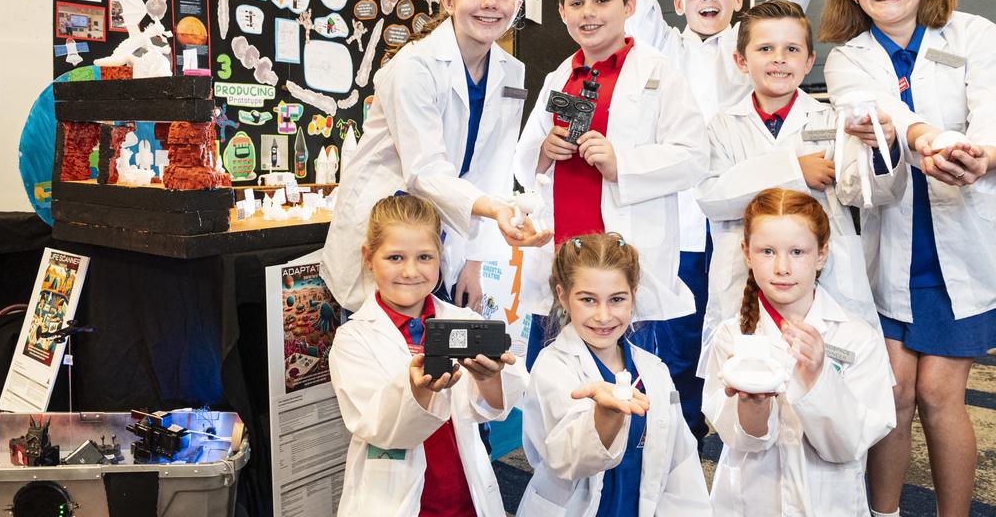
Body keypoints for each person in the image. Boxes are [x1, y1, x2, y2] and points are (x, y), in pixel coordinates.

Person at [620, 0, 820, 444]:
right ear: (678, 1)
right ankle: (682, 438)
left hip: (746, 215)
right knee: (680, 335)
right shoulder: (659, 46)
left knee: (754, 331)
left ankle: (756, 433)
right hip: (682, 221)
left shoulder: (749, 45)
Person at [820, 0, 996, 517]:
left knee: (942, 393)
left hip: (963, 242)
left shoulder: (974, 35)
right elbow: (872, 107)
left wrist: (982, 156)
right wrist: (925, 136)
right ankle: (884, 513)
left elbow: (993, 109)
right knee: (892, 392)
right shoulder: (848, 58)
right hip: (891, 243)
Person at [321, 0, 549, 313]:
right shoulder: (414, 67)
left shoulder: (510, 71)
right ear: (447, 1)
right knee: (384, 356)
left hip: (444, 241)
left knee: (440, 360)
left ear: (517, 5)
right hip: (389, 232)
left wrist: (475, 262)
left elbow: (492, 168)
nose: (490, 2)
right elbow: (424, 170)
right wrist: (494, 210)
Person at [513, 0, 708, 367]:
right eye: (577, 3)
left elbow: (694, 157)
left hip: (622, 263)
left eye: (602, 0)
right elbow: (523, 162)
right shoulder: (559, 75)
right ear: (562, 11)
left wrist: (623, 163)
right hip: (562, 262)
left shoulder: (660, 73)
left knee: (631, 384)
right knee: (550, 384)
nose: (589, 13)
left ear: (629, 6)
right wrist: (544, 151)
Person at [696, 0, 896, 371]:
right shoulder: (722, 127)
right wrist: (795, 170)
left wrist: (879, 144)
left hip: (826, 275)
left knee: (827, 380)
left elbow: (861, 190)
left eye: (792, 49)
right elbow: (711, 197)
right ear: (741, 61)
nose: (779, 59)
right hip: (745, 279)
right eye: (765, 48)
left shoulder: (834, 120)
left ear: (808, 62)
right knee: (751, 389)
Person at [329, 194, 527, 516]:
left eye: (424, 256)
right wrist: (416, 390)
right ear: (369, 258)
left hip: (463, 497)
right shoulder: (354, 339)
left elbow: (496, 406)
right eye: (395, 257)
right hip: (397, 503)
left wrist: (488, 377)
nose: (410, 271)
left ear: (440, 257)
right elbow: (376, 425)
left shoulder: (464, 322)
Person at [702, 188, 895, 516]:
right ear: (747, 253)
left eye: (797, 252)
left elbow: (847, 446)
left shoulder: (856, 338)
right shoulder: (730, 336)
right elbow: (743, 441)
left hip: (830, 503)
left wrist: (819, 378)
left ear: (821, 254)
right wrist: (754, 403)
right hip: (750, 501)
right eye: (767, 251)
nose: (781, 267)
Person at [518, 233, 711, 516]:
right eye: (588, 300)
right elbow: (568, 460)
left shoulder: (653, 370)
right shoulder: (552, 367)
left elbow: (679, 462)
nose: (604, 315)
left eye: (617, 299)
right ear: (563, 295)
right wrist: (604, 417)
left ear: (633, 294)